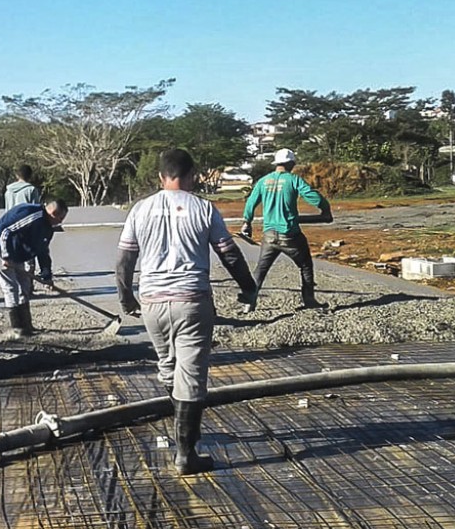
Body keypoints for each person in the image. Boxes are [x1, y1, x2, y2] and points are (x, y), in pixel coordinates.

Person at [116, 148, 258, 475]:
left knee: (169, 367)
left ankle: (180, 432)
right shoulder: (204, 208)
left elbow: (124, 261)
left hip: (152, 301)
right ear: (191, 175)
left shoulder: (140, 209)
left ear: (160, 177)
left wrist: (126, 299)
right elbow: (230, 254)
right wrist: (248, 287)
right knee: (191, 374)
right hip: (192, 301)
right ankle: (186, 453)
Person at [241, 147, 332, 309]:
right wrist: (325, 209)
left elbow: (251, 202)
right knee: (305, 266)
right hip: (290, 235)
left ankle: (250, 301)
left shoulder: (263, 181)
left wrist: (247, 222)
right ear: (290, 163)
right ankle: (309, 299)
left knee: (261, 269)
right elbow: (312, 195)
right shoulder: (293, 180)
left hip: (269, 236)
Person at [0, 199, 68, 337]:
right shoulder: (31, 215)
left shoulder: (48, 228)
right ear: (54, 213)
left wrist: (47, 275)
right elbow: (5, 232)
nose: (61, 222)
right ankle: (17, 328)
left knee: (24, 286)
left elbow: (43, 251)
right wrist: (5, 256)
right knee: (11, 287)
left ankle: (27, 325)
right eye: (61, 218)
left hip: (18, 252)